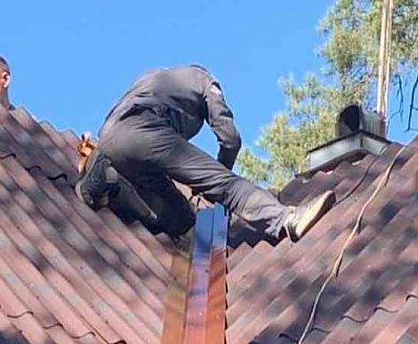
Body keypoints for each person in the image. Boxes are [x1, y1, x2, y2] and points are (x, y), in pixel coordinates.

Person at [90, 65, 335, 242]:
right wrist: (215, 181)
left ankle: (111, 186)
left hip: (109, 139)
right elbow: (230, 139)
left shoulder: (152, 77)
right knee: (229, 186)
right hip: (143, 130)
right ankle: (286, 219)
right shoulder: (205, 81)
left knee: (183, 218)